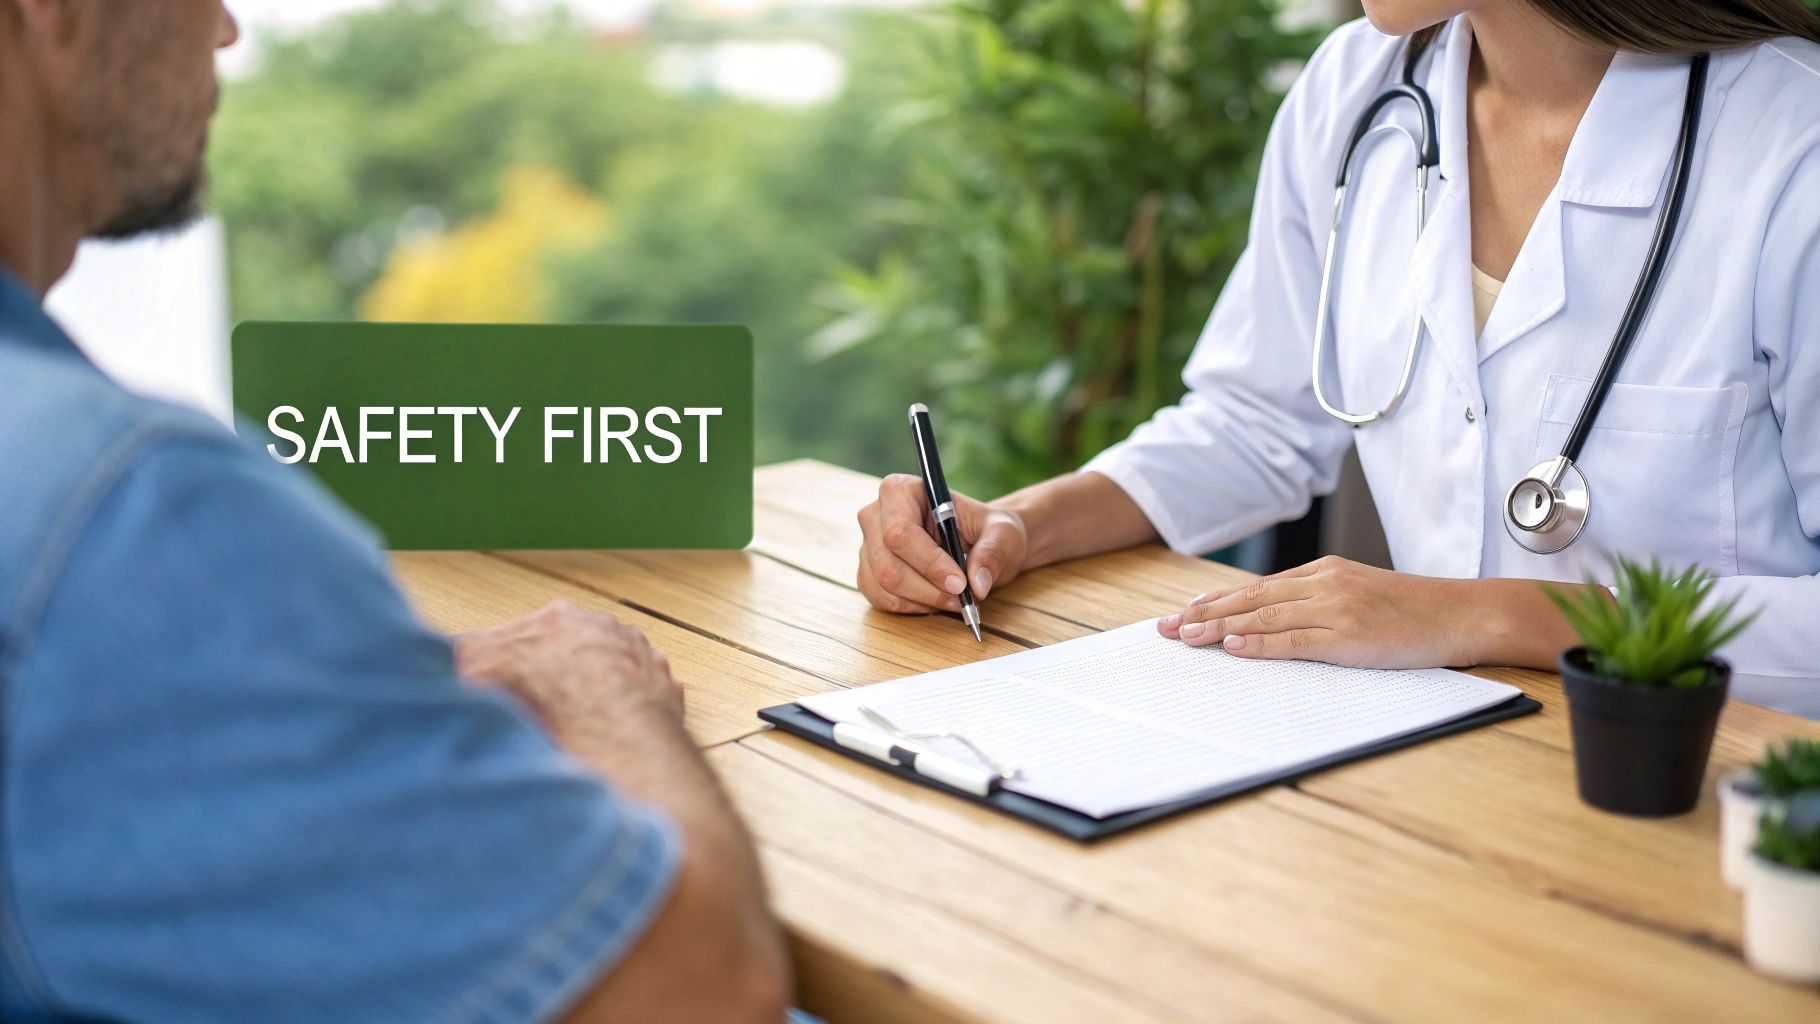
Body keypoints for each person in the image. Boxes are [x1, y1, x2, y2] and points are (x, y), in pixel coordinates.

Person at [0, 2, 789, 1020]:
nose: (227, 30)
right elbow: (704, 990)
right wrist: (596, 685)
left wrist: (332, 684)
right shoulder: (131, 511)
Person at [857, 0, 1820, 694]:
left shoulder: (1793, 151)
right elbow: (1254, 421)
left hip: (1729, 806)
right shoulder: (1353, 95)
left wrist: (1482, 614)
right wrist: (1023, 525)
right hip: (1444, 765)